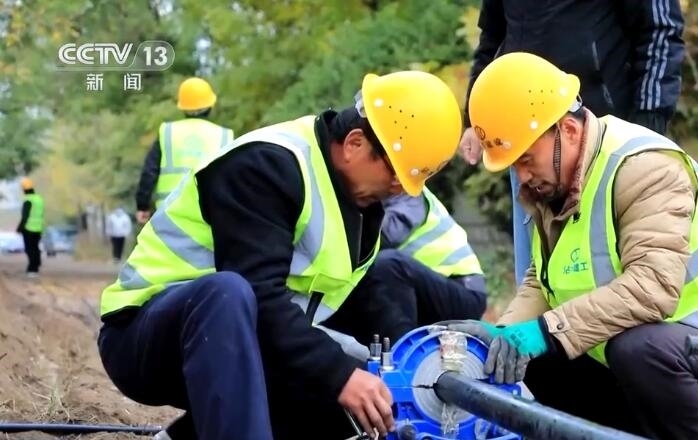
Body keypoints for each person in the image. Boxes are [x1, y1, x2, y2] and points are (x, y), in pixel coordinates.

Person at [96, 71, 463, 440]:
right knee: (227, 293)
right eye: (396, 174)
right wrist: (339, 374)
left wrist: (373, 371)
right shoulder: (268, 165)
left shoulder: (359, 209)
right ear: (354, 143)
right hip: (148, 335)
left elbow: (305, 320)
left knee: (361, 402)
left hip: (238, 341)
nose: (400, 190)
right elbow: (259, 293)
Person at [451, 52, 698, 440]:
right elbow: (543, 281)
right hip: (662, 358)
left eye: (526, 159)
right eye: (514, 166)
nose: (521, 177)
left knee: (632, 346)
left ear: (568, 131)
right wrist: (504, 336)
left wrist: (542, 332)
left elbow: (653, 287)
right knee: (539, 356)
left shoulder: (643, 166)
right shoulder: (556, 184)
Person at [457, 0, 686, 287]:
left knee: (611, 282)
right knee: (538, 281)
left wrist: (646, 128)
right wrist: (475, 119)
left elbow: (660, 30)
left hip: (603, 149)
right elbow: (493, 35)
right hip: (525, 143)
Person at [344, 187, 487, 343]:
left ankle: (403, 351)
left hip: (461, 290)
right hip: (419, 290)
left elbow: (386, 235)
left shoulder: (409, 192)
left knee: (387, 265)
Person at [135, 77, 234, 224]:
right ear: (210, 106)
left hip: (170, 214)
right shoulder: (224, 136)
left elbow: (149, 172)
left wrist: (142, 205)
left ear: (182, 107)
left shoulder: (168, 132)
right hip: (210, 215)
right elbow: (234, 178)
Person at [16, 177, 44, 278]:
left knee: (29, 249)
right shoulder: (39, 199)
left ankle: (32, 269)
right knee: (35, 248)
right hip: (38, 228)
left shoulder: (28, 200)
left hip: (28, 228)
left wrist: (20, 227)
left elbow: (25, 216)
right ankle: (36, 265)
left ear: (24, 189)